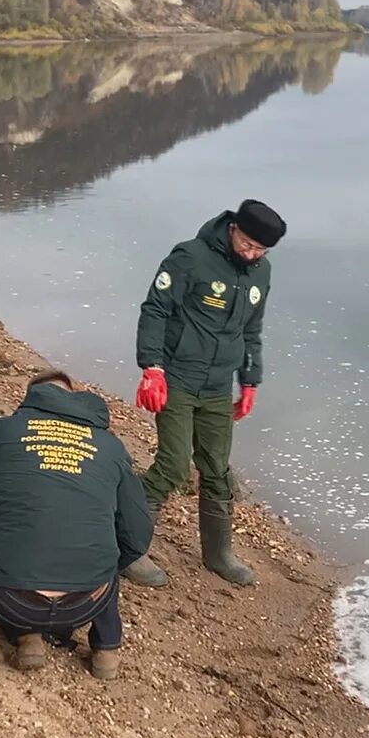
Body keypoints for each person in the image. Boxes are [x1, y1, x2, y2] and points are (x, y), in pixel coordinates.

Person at [0, 371, 154, 680]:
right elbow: (137, 536)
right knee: (104, 545)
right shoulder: (111, 447)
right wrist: (102, 568)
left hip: (12, 602)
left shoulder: (3, 431)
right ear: (73, 398)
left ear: (32, 399)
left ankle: (25, 633)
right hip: (86, 603)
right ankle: (106, 648)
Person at [125, 199, 285, 588]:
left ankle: (218, 554)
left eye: (259, 250)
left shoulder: (260, 272)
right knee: (174, 466)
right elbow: (155, 310)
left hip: (217, 386)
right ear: (233, 229)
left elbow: (252, 330)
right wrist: (152, 369)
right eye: (247, 244)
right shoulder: (189, 258)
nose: (251, 254)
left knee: (217, 471)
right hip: (178, 379)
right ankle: (129, 549)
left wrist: (250, 381)